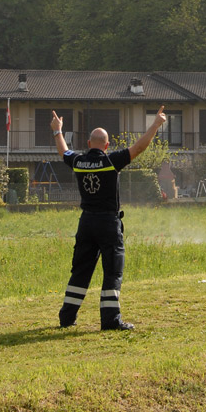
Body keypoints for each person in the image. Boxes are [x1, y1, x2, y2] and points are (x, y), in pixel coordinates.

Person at [51, 104, 167, 331]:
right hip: (107, 223)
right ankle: (110, 320)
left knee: (81, 271)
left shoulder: (79, 162)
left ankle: (67, 318)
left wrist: (57, 130)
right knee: (112, 271)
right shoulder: (111, 161)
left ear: (88, 145)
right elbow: (139, 148)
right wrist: (155, 125)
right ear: (106, 146)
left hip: (86, 223)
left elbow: (63, 150)